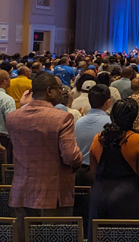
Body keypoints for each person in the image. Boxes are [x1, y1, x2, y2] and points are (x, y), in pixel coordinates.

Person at [7, 72, 82, 242]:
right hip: (53, 194)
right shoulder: (62, 118)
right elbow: (71, 157)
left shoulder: (13, 117)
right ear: (49, 91)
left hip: (21, 192)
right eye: (58, 89)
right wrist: (79, 159)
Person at [88, 98, 139, 228]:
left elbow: (93, 173)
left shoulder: (98, 138)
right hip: (127, 197)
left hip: (99, 196)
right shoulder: (138, 140)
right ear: (133, 118)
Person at [74, 84, 112, 186]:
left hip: (79, 172)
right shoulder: (110, 123)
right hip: (102, 172)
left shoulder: (79, 122)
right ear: (108, 102)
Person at [0, 71, 16, 163]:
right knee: (4, 170)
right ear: (4, 81)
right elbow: (11, 122)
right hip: (3, 140)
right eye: (9, 78)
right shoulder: (7, 100)